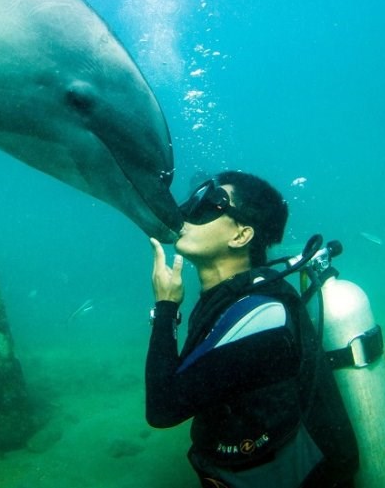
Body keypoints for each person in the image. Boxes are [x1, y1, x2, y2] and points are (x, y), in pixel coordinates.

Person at [146, 172, 359, 487]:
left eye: (211, 204)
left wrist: (166, 308)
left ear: (241, 235)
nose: (189, 212)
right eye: (195, 200)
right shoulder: (227, 300)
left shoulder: (262, 315)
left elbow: (162, 410)